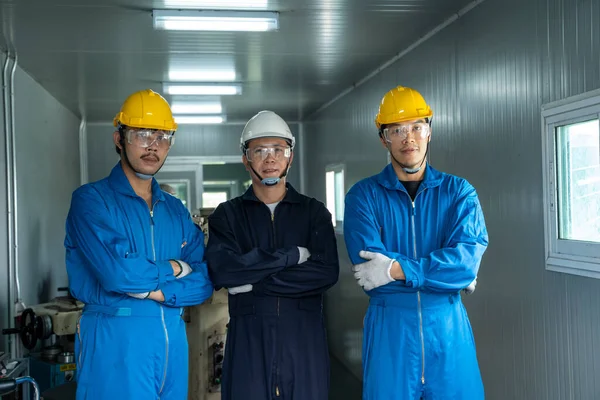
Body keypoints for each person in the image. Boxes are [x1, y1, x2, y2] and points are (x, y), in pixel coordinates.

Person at [64, 89, 214, 400]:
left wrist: (157, 291)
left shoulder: (175, 210)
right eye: (142, 133)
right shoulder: (91, 201)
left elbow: (205, 280)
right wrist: (176, 267)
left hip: (173, 342)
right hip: (116, 342)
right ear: (119, 138)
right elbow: (120, 274)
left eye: (163, 136)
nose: (153, 145)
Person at [343, 85, 488, 399]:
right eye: (397, 129)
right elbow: (372, 277)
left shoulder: (459, 193)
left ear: (429, 132)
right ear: (384, 138)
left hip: (448, 332)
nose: (408, 137)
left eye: (416, 127)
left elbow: (465, 262)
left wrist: (397, 269)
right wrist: (444, 275)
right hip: (390, 334)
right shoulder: (362, 197)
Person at [206, 110, 340, 400]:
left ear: (290, 156)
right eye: (260, 150)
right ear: (246, 159)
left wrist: (255, 283)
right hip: (248, 344)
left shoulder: (313, 213)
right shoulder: (227, 216)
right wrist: (290, 256)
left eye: (278, 149)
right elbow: (223, 272)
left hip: (304, 344)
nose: (270, 158)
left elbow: (326, 272)